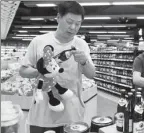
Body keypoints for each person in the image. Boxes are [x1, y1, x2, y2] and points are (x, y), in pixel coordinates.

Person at [19, 1, 95, 133]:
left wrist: (84, 62)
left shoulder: (81, 45)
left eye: (78, 24)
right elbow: (23, 70)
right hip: (42, 115)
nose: (73, 27)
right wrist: (42, 72)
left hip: (71, 113)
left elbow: (91, 74)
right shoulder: (39, 41)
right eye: (69, 21)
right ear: (58, 18)